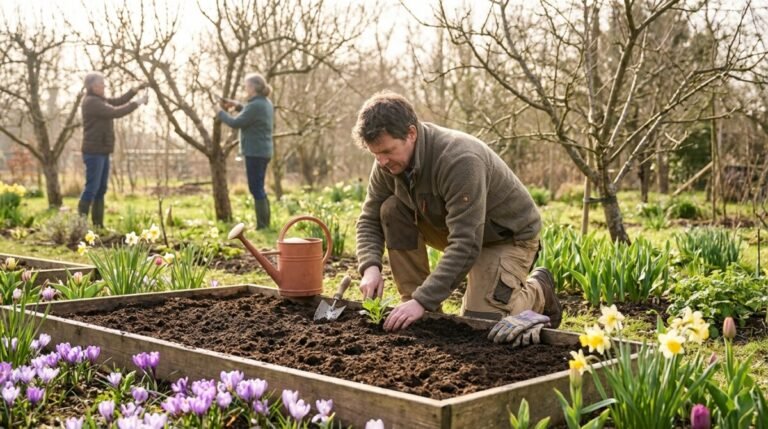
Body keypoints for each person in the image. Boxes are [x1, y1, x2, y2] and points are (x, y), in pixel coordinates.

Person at [353, 91, 562, 346]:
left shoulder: (460, 160)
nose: (382, 161)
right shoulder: (387, 164)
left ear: (411, 133)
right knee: (391, 209)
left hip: (505, 237)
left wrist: (423, 300)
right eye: (376, 154)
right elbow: (369, 218)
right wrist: (370, 267)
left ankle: (539, 291)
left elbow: (466, 243)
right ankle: (420, 308)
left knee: (482, 324)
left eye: (387, 151)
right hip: (454, 227)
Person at [79, 72, 149, 228]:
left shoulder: (99, 100)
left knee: (101, 188)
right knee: (92, 188)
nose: (104, 87)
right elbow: (115, 112)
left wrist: (135, 90)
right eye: (101, 84)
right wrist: (138, 103)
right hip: (93, 152)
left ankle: (98, 226)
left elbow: (118, 102)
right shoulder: (91, 102)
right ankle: (80, 225)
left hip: (102, 151)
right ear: (92, 86)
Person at [215, 73, 274, 230]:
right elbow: (250, 113)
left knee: (256, 189)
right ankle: (265, 223)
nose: (245, 88)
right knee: (259, 187)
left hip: (255, 152)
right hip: (263, 151)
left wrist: (220, 113)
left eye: (247, 85)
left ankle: (263, 226)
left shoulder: (255, 105)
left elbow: (236, 122)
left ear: (254, 87)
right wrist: (236, 105)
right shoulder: (265, 103)